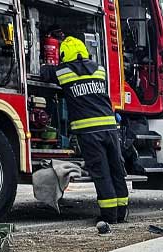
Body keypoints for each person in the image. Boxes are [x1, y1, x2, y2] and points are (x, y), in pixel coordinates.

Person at [44, 36, 128, 228]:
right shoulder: (99, 69)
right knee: (116, 171)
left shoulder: (64, 71)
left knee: (101, 173)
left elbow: (45, 73)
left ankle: (109, 216)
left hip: (90, 132)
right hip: (110, 129)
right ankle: (121, 212)